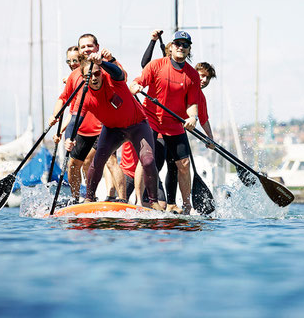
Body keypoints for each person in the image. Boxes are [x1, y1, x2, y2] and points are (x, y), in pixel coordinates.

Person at [66, 42, 163, 210]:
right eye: (91, 75)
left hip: (137, 125)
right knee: (98, 161)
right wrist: (69, 138)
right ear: (83, 77)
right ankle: (89, 199)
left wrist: (102, 63)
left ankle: (154, 202)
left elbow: (118, 72)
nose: (95, 78)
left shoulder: (113, 78)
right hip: (112, 130)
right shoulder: (84, 96)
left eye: (98, 73)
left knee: (148, 161)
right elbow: (75, 120)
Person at [130, 30, 200, 214]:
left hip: (175, 124)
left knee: (183, 165)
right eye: (177, 43)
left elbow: (192, 103)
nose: (181, 47)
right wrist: (136, 86)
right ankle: (138, 202)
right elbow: (137, 81)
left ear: (189, 49)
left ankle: (187, 207)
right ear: (171, 47)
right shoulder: (156, 65)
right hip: (151, 120)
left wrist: (193, 117)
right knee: (146, 160)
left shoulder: (192, 75)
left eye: (185, 45)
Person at [49, 38, 125, 202]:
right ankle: (78, 200)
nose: (86, 49)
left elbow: (122, 77)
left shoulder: (103, 67)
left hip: (104, 126)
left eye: (90, 46)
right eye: (83, 47)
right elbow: (64, 101)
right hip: (83, 129)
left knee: (109, 161)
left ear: (97, 47)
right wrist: (56, 119)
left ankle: (121, 199)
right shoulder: (75, 76)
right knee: (74, 165)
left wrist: (111, 60)